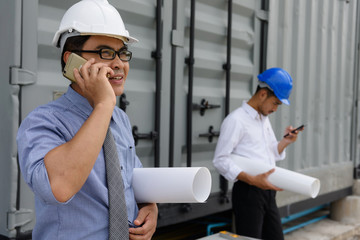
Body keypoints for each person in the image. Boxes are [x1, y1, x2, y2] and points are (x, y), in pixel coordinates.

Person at [16, 0, 157, 239]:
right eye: (105, 53)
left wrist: (148, 206)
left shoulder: (119, 118)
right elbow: (58, 187)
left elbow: (131, 179)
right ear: (72, 61)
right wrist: (103, 105)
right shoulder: (43, 121)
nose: (119, 63)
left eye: (122, 53)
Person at [213, 68, 303, 240]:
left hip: (267, 192)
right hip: (248, 192)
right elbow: (220, 160)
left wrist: (285, 142)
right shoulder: (236, 120)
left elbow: (270, 153)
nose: (276, 109)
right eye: (276, 103)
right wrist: (253, 180)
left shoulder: (263, 119)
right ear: (263, 94)